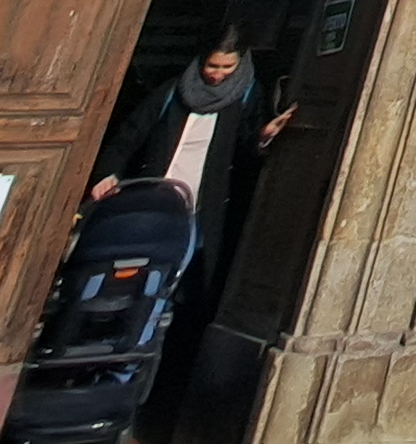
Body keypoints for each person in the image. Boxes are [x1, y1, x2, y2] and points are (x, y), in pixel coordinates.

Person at [94, 36, 296, 282]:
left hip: (201, 205)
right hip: (152, 199)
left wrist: (262, 136)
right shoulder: (172, 91)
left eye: (227, 68)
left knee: (183, 273)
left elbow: (245, 150)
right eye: (212, 66)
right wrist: (107, 174)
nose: (218, 75)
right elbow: (131, 134)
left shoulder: (246, 99)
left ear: (240, 65)